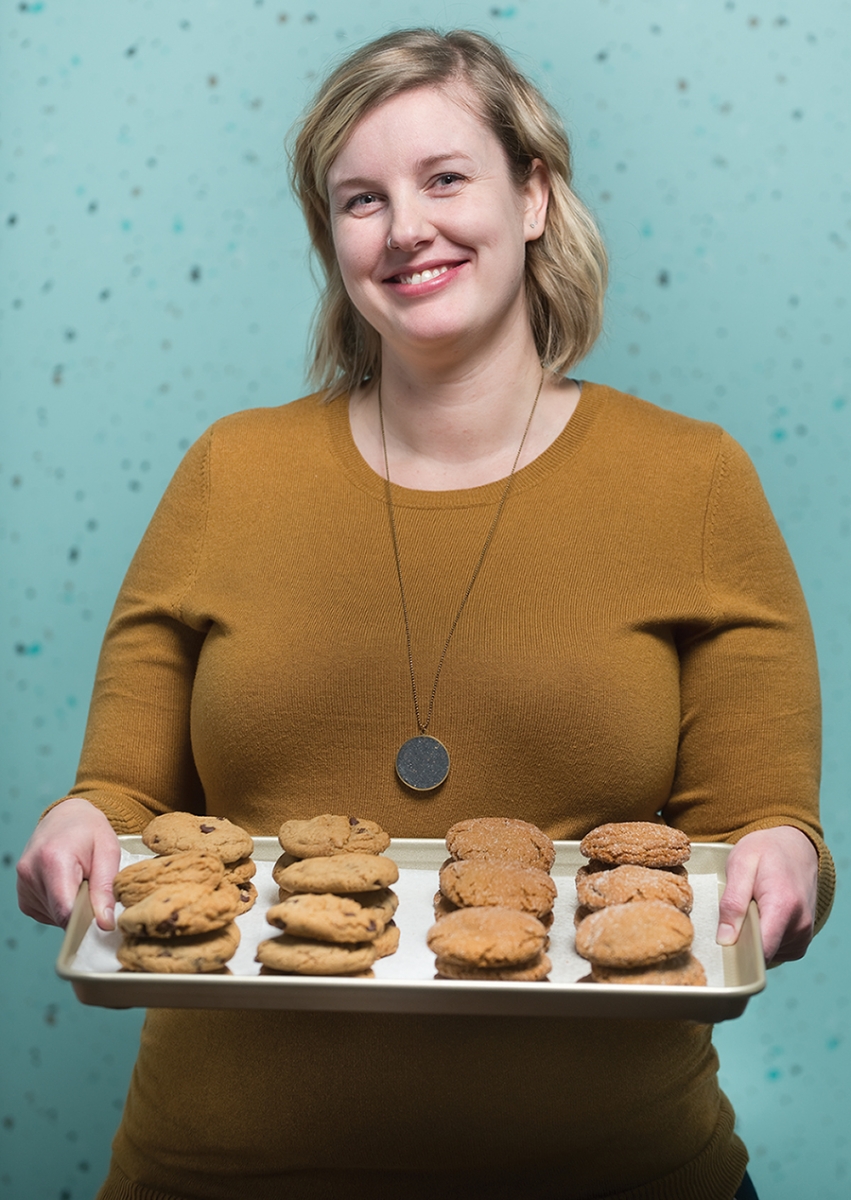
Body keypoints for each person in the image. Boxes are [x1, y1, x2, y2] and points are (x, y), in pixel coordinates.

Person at [17, 27, 832, 1200]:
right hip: (221, 1168)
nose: (405, 228)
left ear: (535, 194)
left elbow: (756, 828)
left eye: (445, 178)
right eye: (361, 199)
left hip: (613, 1169)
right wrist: (77, 831)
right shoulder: (227, 474)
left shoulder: (692, 481)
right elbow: (123, 804)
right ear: (332, 239)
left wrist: (781, 858)